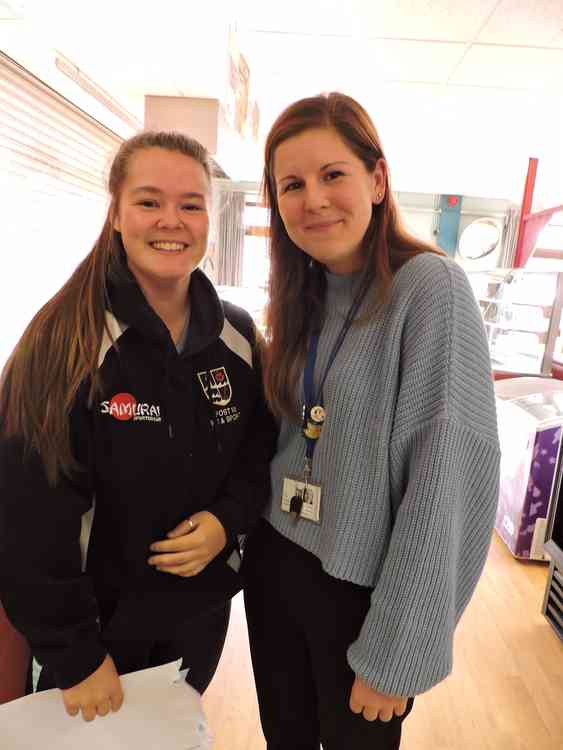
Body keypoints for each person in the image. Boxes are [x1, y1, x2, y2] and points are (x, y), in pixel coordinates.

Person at [242, 92, 501, 750]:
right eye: (291, 185)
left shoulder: (428, 288)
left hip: (359, 590)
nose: (313, 200)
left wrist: (396, 652)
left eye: (333, 175)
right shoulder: (302, 291)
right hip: (276, 566)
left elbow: (446, 476)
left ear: (377, 180)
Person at [0, 131, 276, 722]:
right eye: (149, 201)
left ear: (211, 216)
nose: (170, 221)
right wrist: (75, 655)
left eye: (191, 204)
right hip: (96, 638)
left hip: (197, 623)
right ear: (117, 214)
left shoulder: (237, 339)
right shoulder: (64, 342)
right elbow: (24, 514)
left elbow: (257, 458)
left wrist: (226, 522)